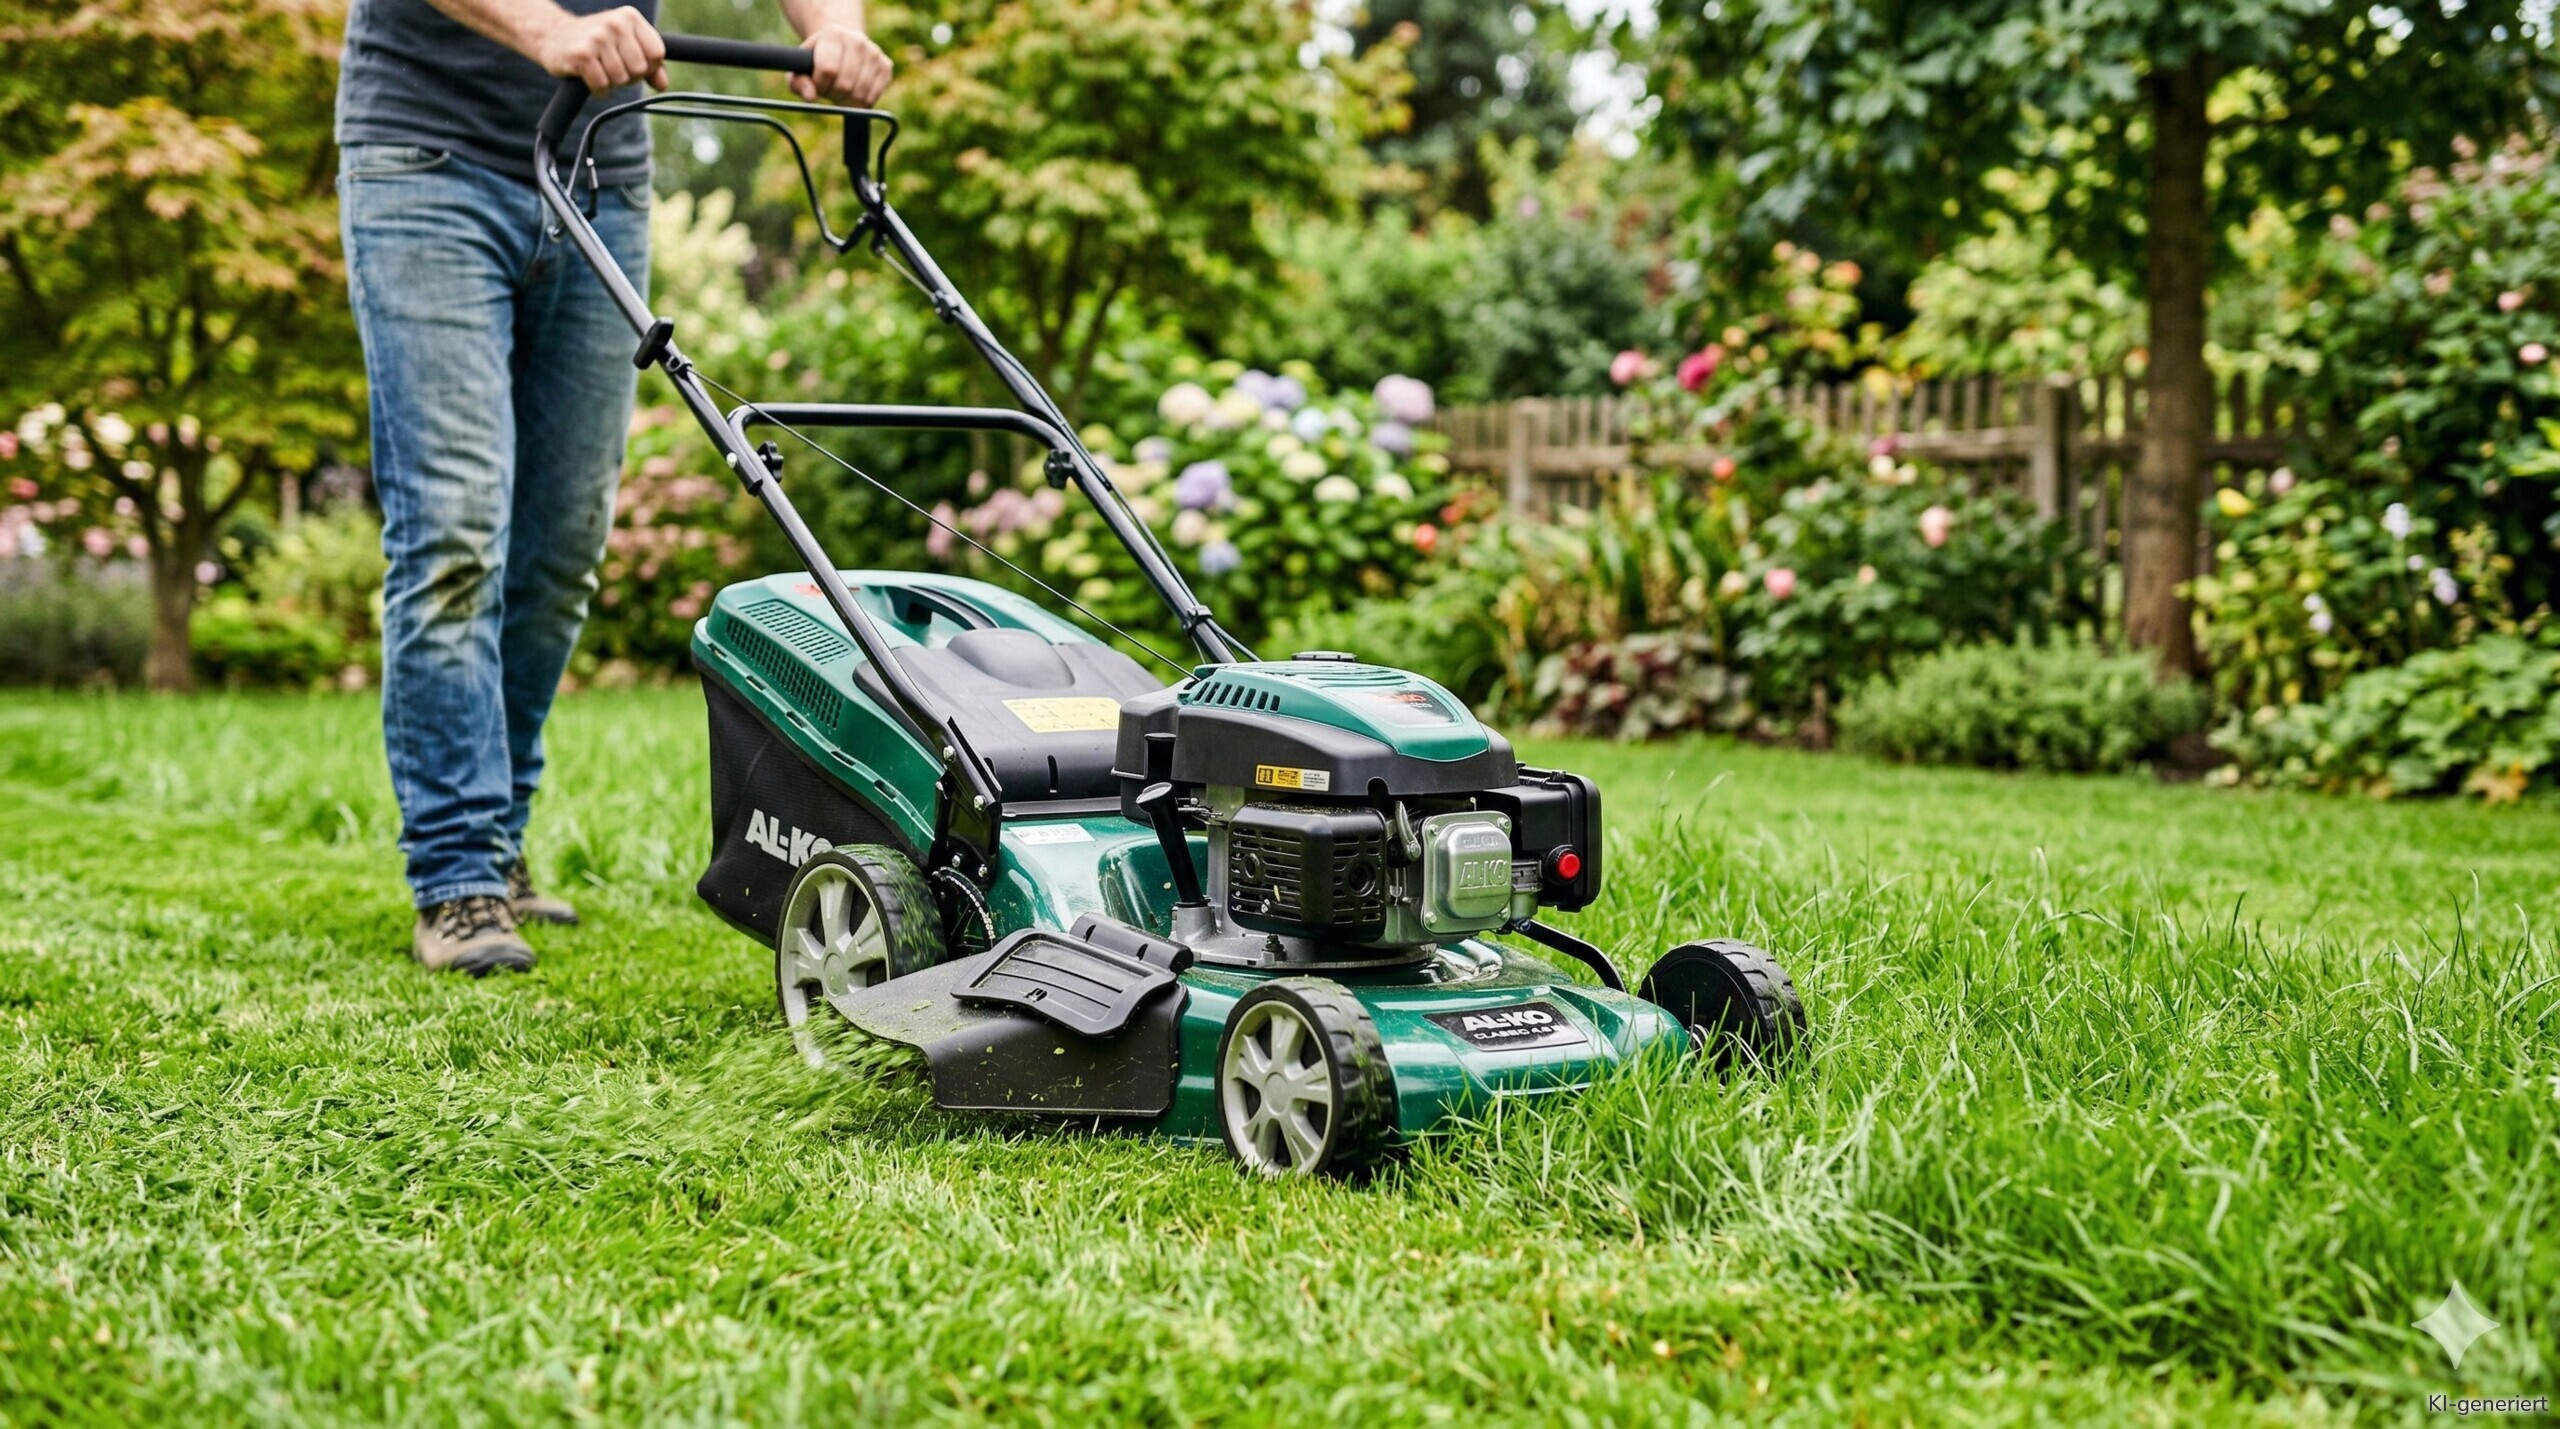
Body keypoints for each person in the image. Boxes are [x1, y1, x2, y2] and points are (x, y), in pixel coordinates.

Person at [335, 0, 893, 974]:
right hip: (425, 161)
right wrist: (546, 27)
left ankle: (497, 849)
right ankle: (457, 874)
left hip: (600, 171)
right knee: (456, 534)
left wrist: (836, 28)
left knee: (560, 547)